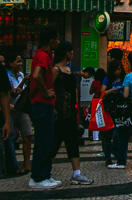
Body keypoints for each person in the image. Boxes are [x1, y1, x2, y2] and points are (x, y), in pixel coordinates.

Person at [51, 41, 93, 185]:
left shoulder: (69, 71)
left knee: (72, 142)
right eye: (71, 51)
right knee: (55, 142)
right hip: (59, 113)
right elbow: (49, 88)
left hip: (70, 112)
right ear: (66, 53)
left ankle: (77, 173)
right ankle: (45, 170)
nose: (73, 54)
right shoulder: (56, 70)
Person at [29, 26, 61, 190]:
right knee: (43, 141)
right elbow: (36, 75)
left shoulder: (43, 55)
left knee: (46, 141)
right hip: (42, 103)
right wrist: (45, 92)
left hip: (45, 104)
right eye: (57, 38)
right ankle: (38, 177)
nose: (58, 41)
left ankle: (44, 175)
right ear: (51, 40)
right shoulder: (43, 55)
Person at [7, 50, 31, 175]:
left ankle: (27, 164)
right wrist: (23, 82)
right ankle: (12, 164)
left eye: (21, 61)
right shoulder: (7, 75)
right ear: (10, 63)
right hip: (10, 109)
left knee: (27, 134)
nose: (20, 64)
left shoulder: (21, 74)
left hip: (21, 109)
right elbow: (13, 92)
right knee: (10, 137)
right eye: (18, 61)